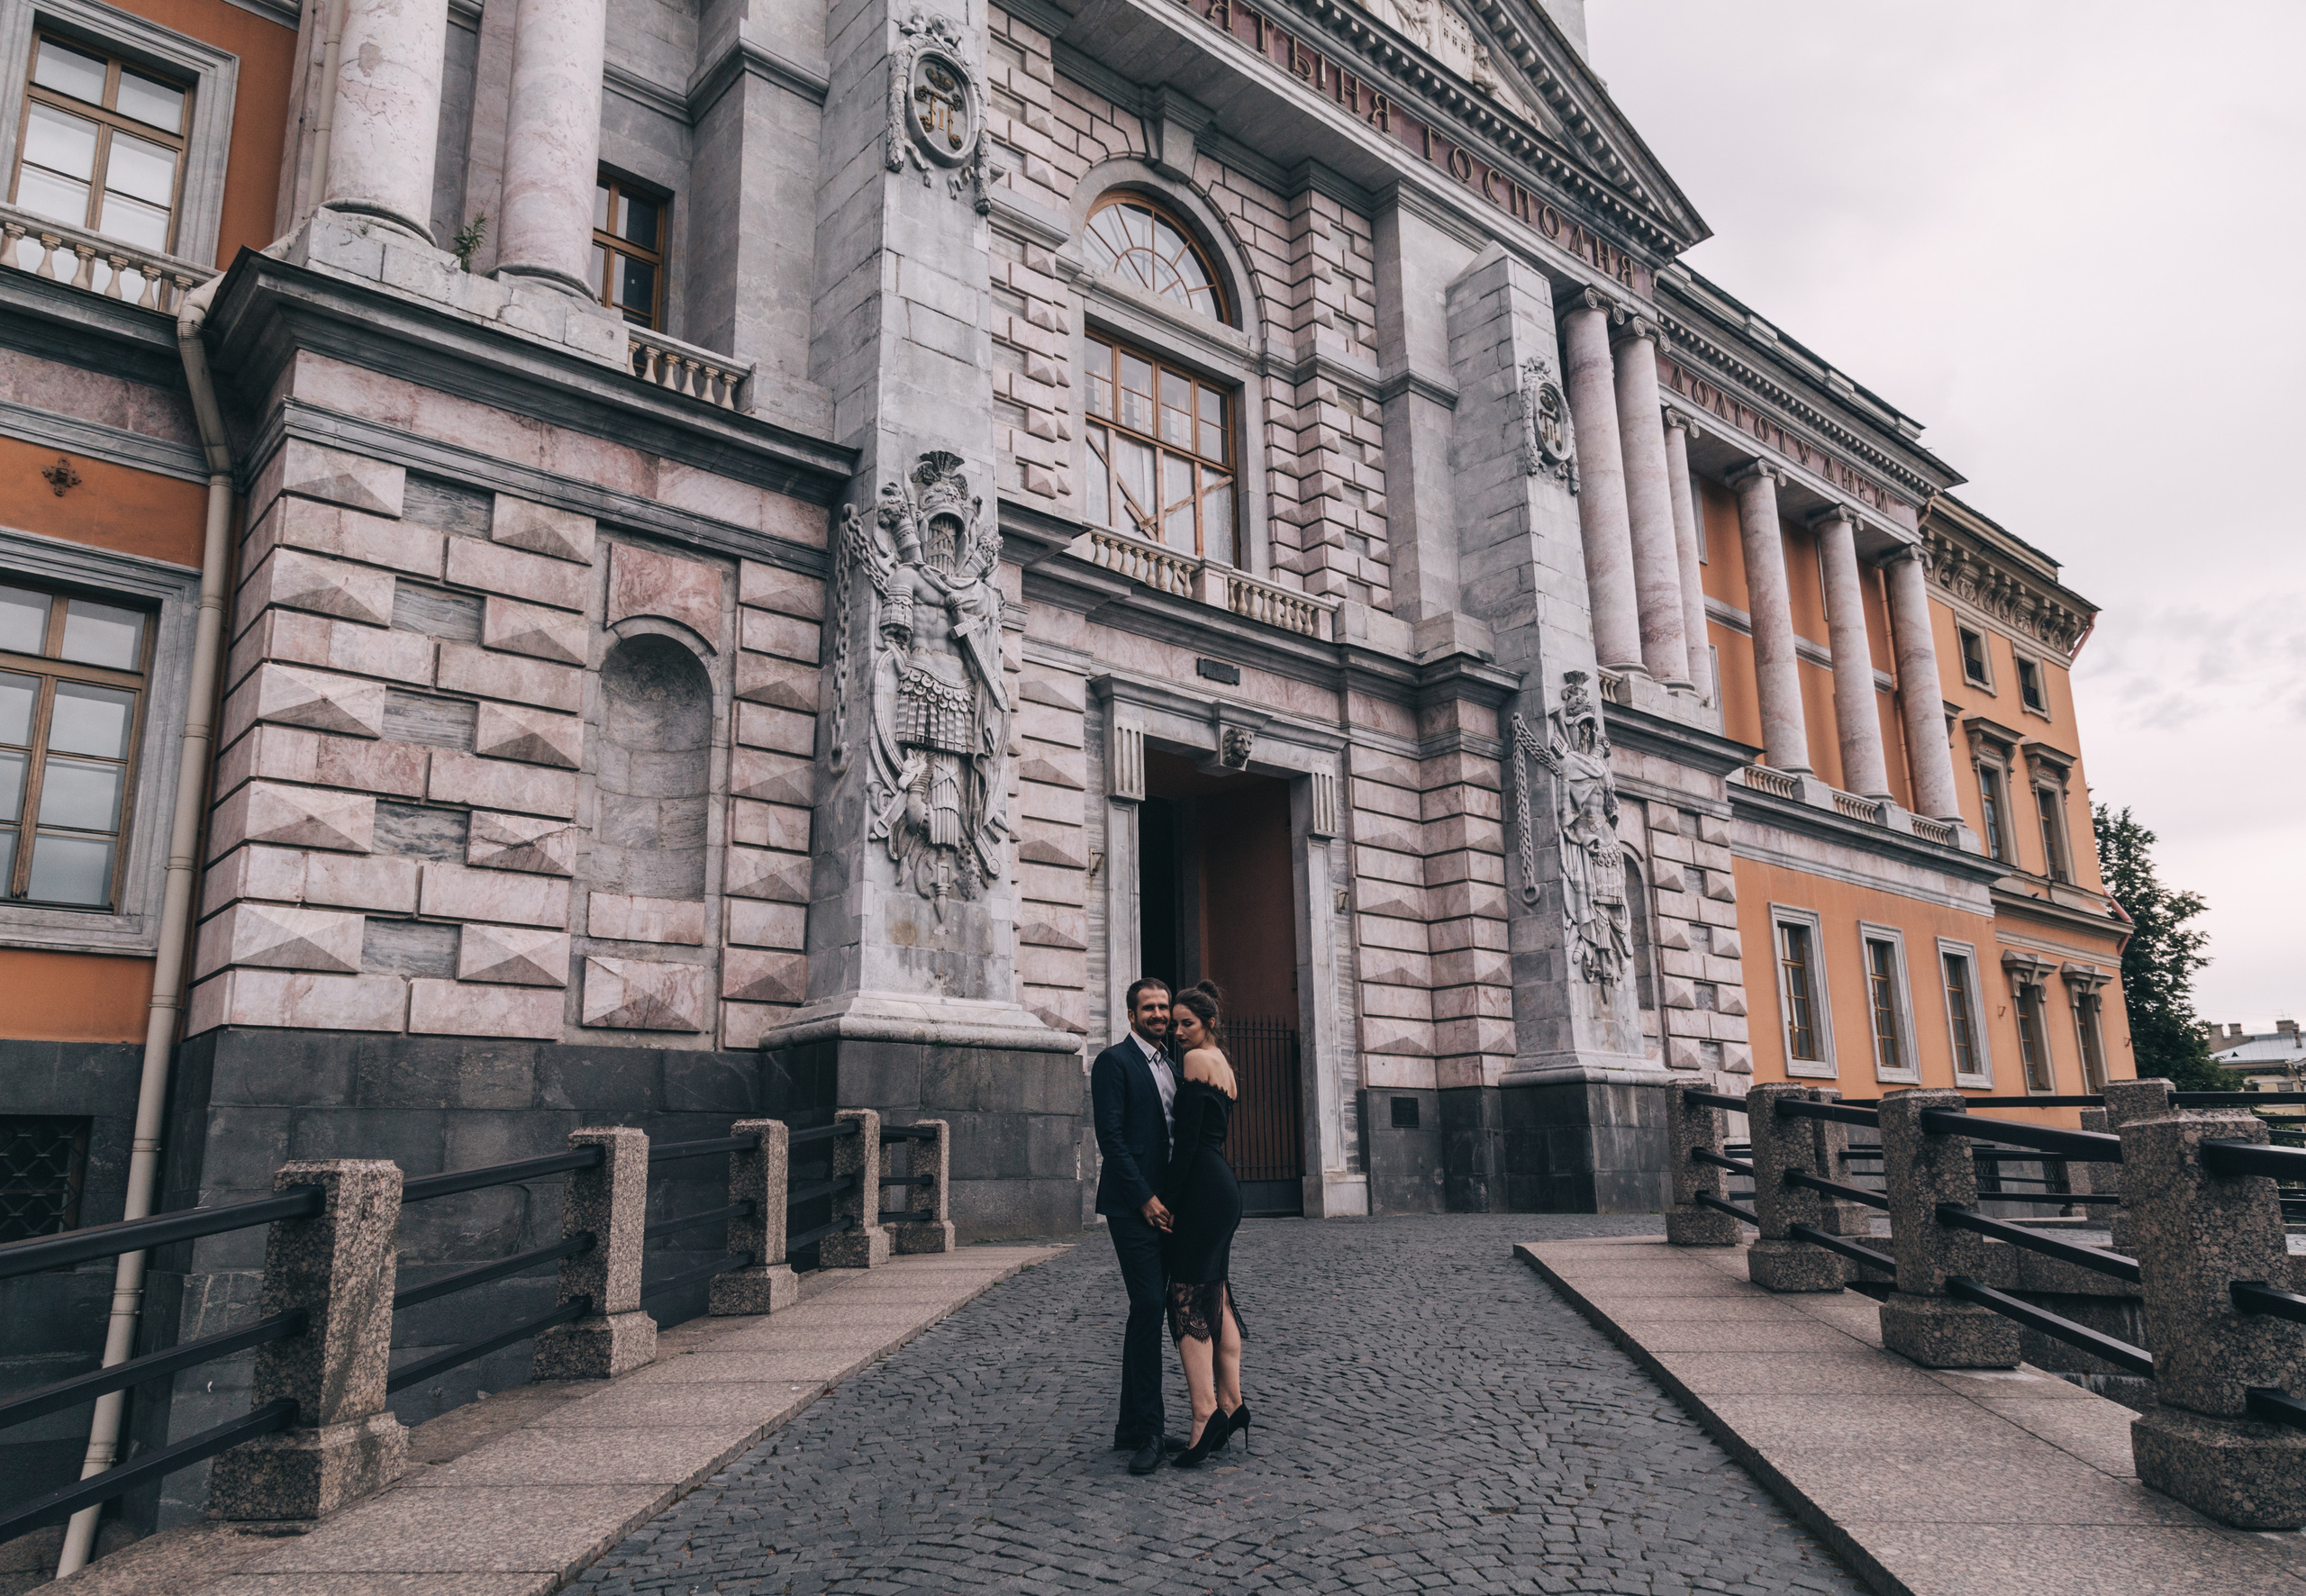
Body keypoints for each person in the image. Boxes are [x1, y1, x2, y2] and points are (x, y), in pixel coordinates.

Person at [1090, 977, 1181, 1476]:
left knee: (1148, 1310)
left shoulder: (1173, 1064)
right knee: (1148, 1304)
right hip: (1133, 1208)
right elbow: (1112, 1138)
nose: (1159, 1015)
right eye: (1148, 1008)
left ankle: (1130, 1424)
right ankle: (1149, 1430)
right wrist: (1144, 1198)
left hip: (1170, 1208)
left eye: (1164, 1007)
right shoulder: (1114, 1062)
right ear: (1131, 1015)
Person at [1159, 979, 1248, 1469]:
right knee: (1216, 1293)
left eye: (1186, 1024)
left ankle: (1203, 1416)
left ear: (1209, 1023)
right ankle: (1232, 1404)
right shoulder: (1226, 1067)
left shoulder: (1196, 1061)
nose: (1177, 1032)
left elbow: (1187, 1144)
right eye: (1174, 1024)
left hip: (1201, 1188)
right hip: (1224, 1188)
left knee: (1187, 1295)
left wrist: (1166, 1203)